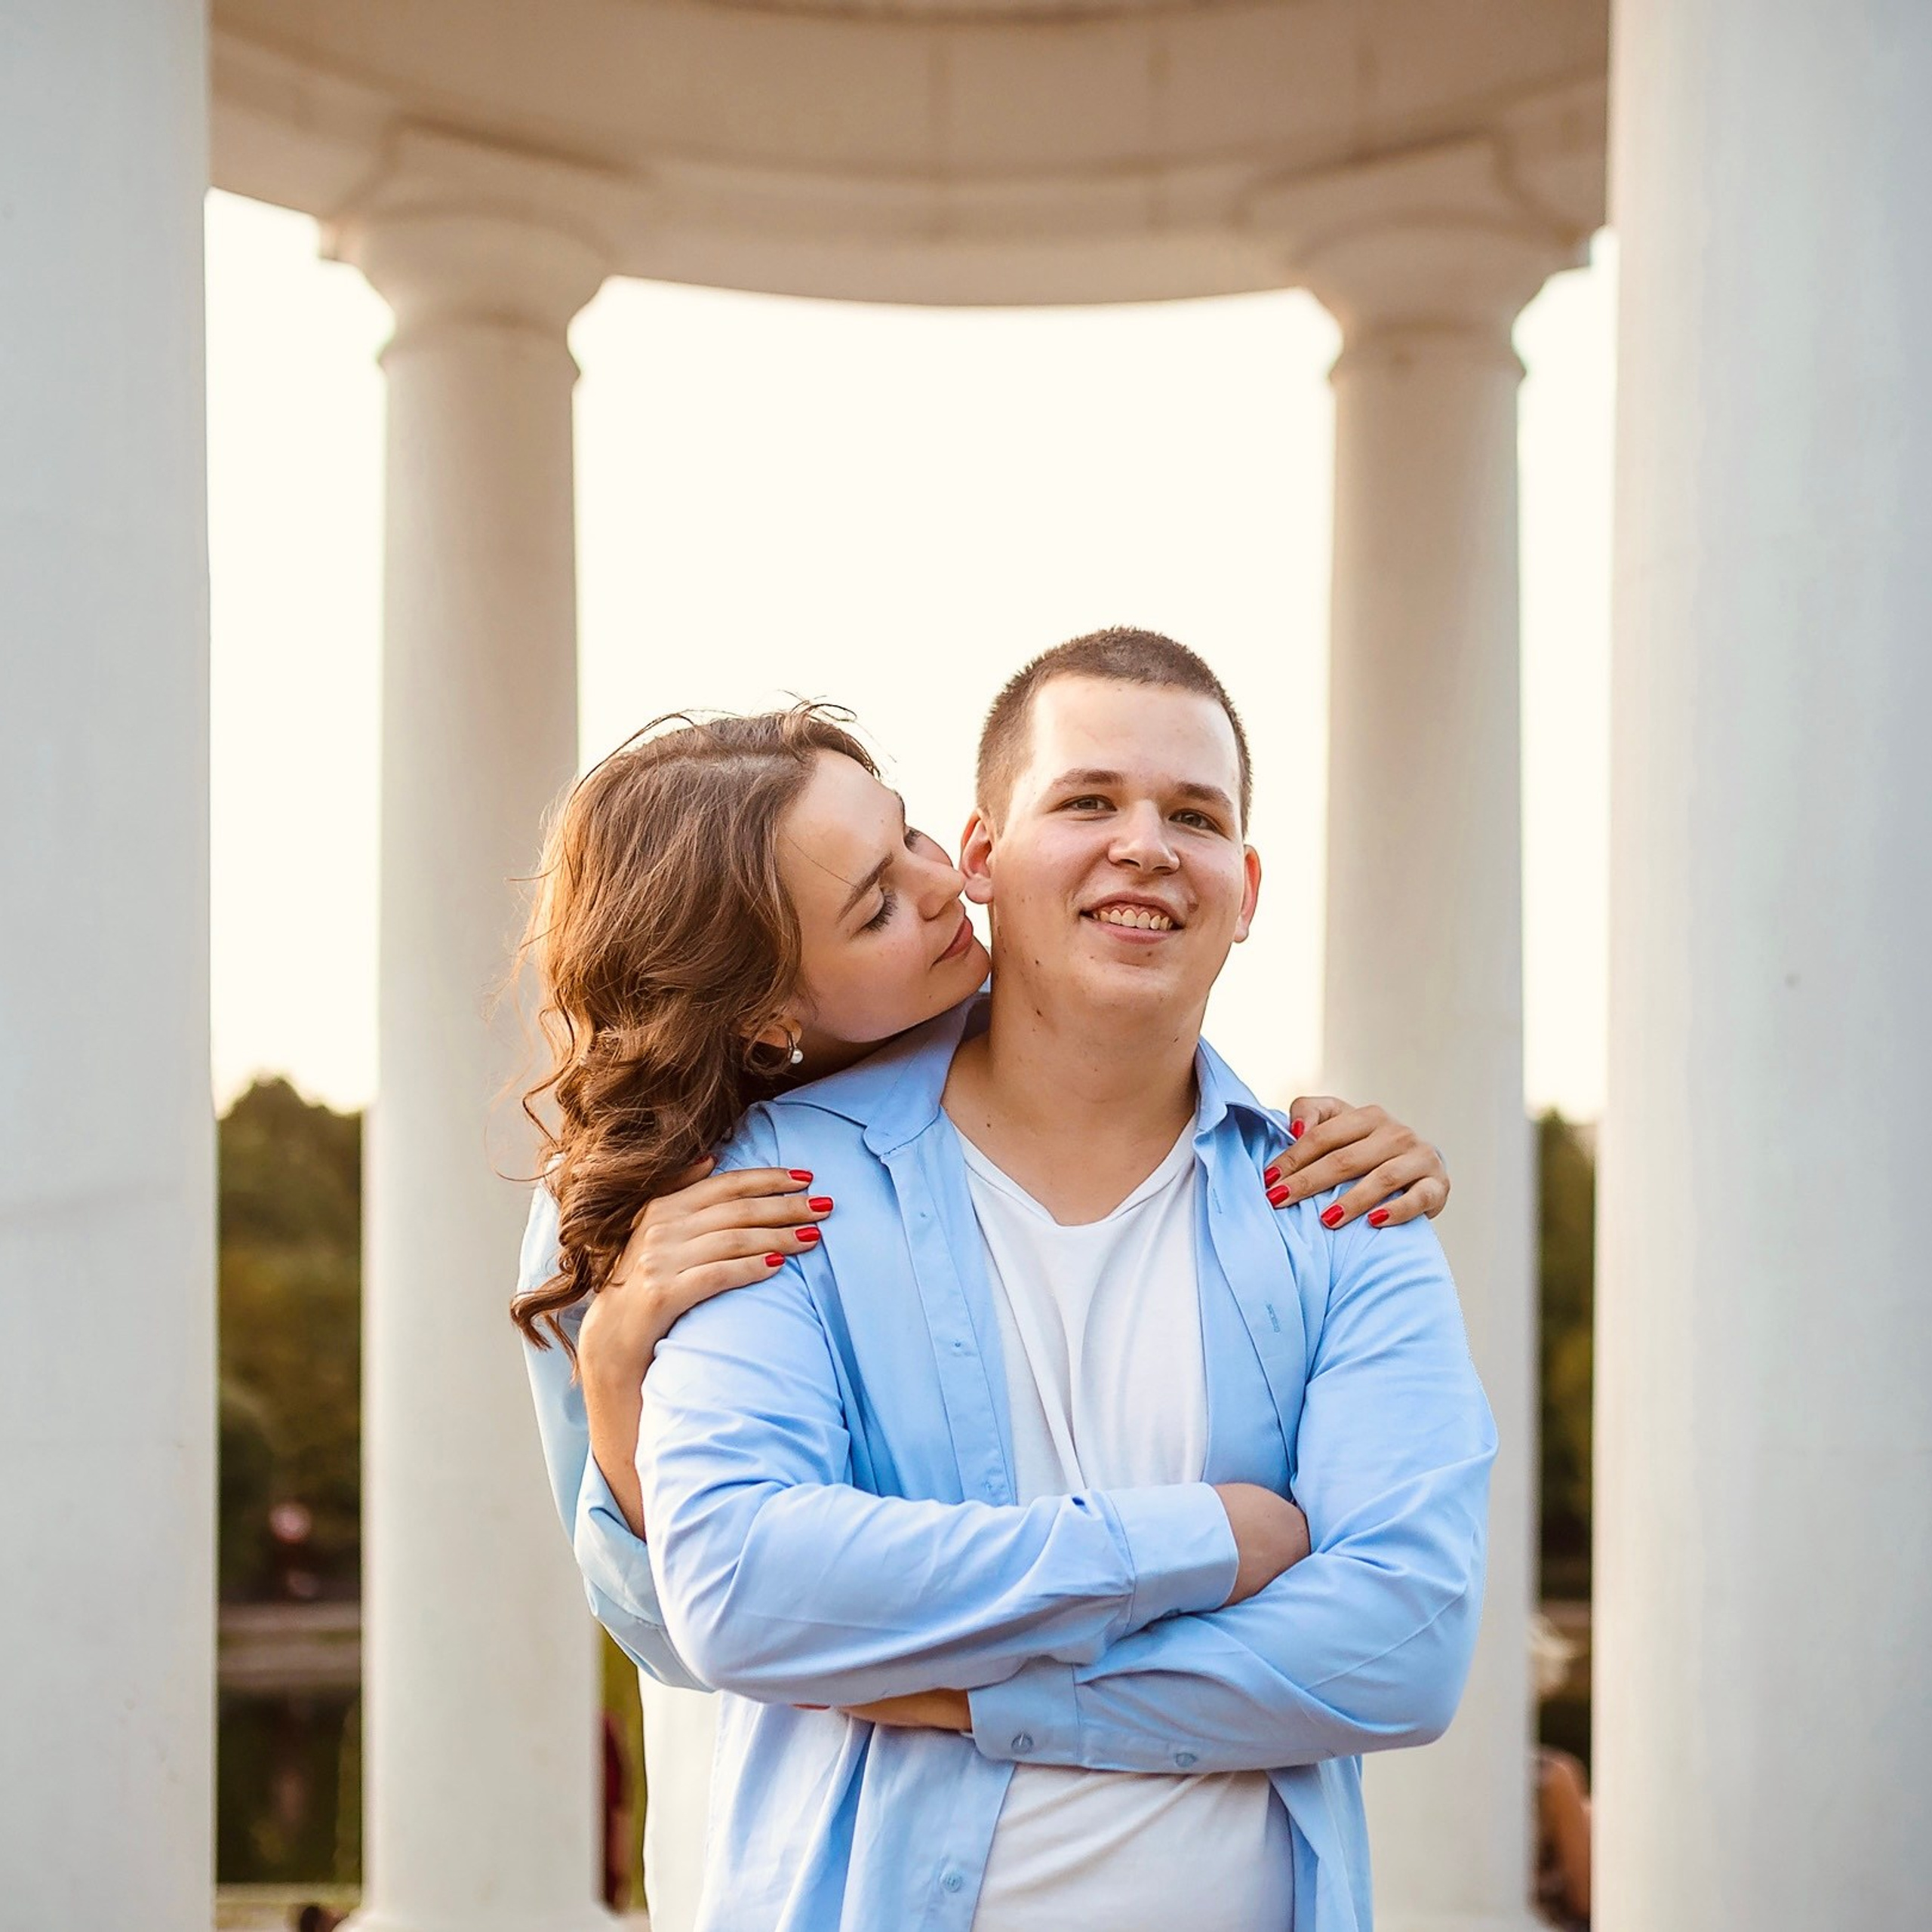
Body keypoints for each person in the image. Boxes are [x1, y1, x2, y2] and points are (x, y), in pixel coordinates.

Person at [520, 629, 1490, 1928]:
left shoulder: (1340, 1206)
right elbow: (712, 1605)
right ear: (1000, 855)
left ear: (1246, 887)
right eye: (1086, 800)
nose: (927, 891)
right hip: (809, 1847)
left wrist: (977, 1698)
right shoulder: (716, 1197)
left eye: (1191, 815)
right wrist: (1207, 1537)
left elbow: (1406, 1649)